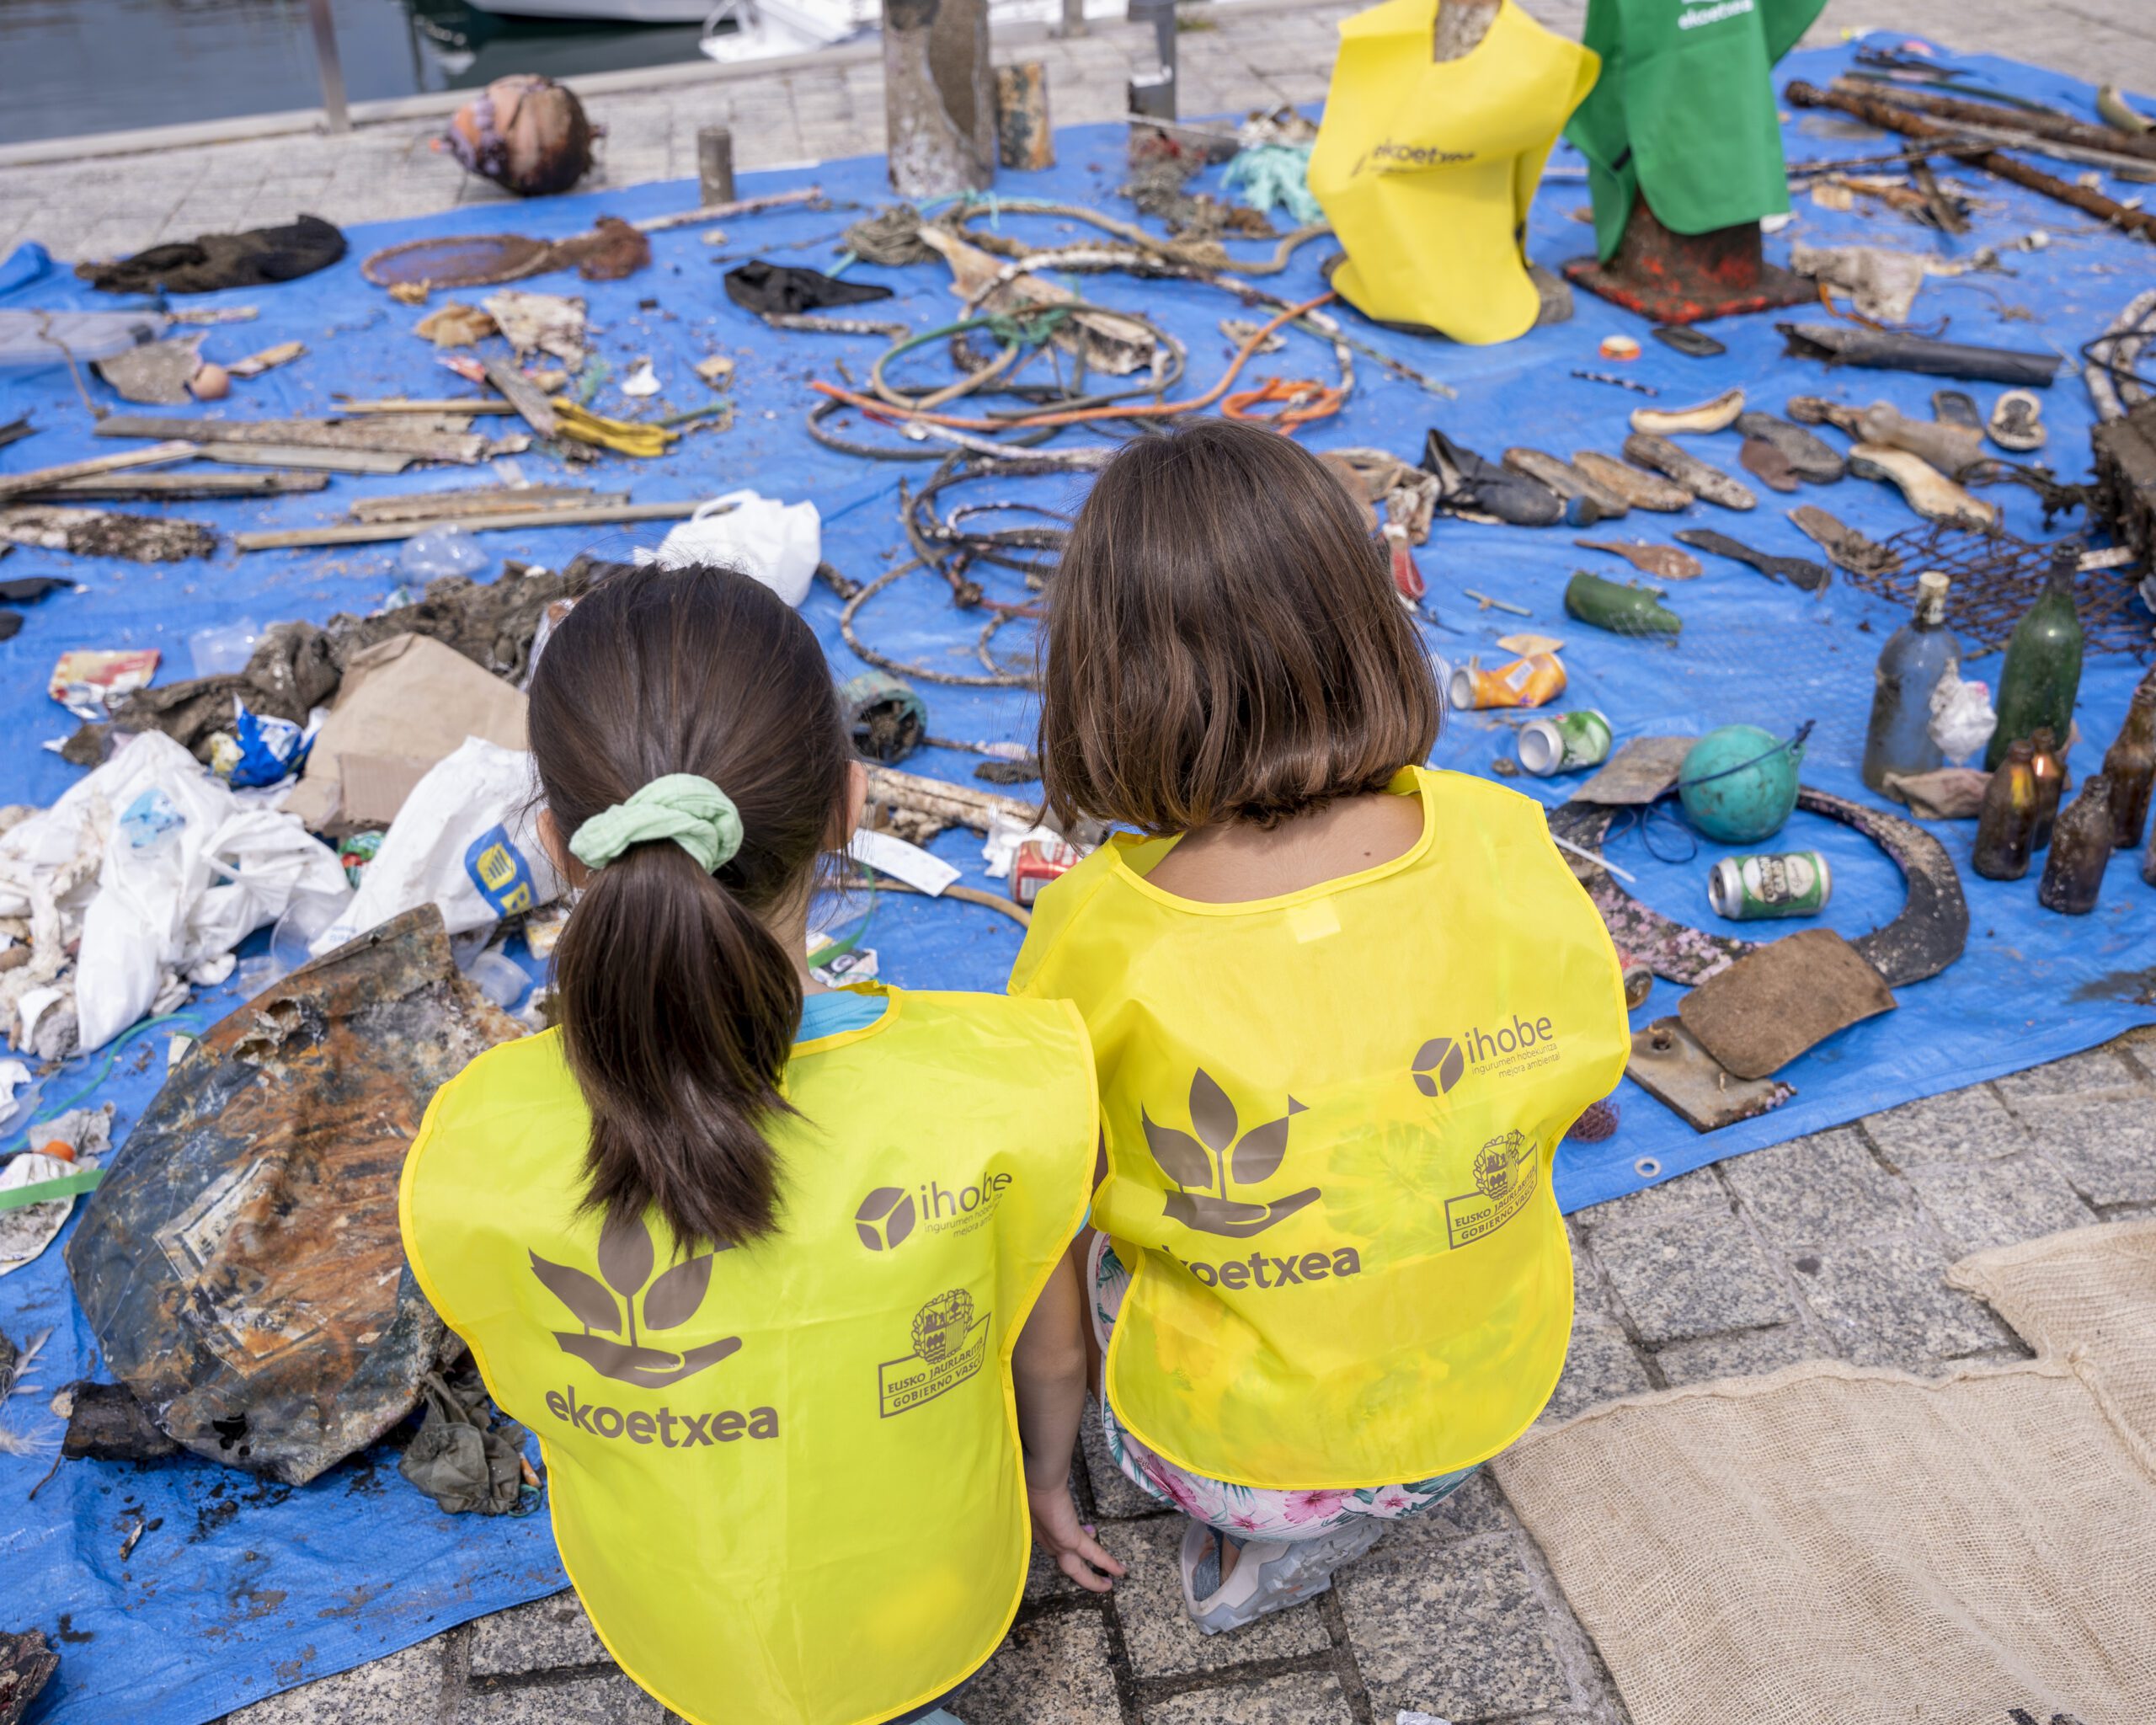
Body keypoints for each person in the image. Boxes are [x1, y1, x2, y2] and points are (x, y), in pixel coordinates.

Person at [401, 561, 1121, 1725]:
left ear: (556, 843)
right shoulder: (1012, 1084)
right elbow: (1050, 1359)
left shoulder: (475, 1140)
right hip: (924, 1586)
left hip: (685, 1611)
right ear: (851, 805)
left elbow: (536, 1393)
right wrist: (1046, 1485)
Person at [1010, 420, 1629, 1632]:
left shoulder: (1094, 933)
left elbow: (1042, 1252)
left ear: (1104, 680)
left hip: (1230, 1451)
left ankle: (1278, 1531)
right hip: (1485, 1388)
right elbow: (1578, 1078)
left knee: (1075, 1229)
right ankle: (1362, 1497)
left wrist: (1040, 1474)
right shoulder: (1501, 838)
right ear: (1365, 628)